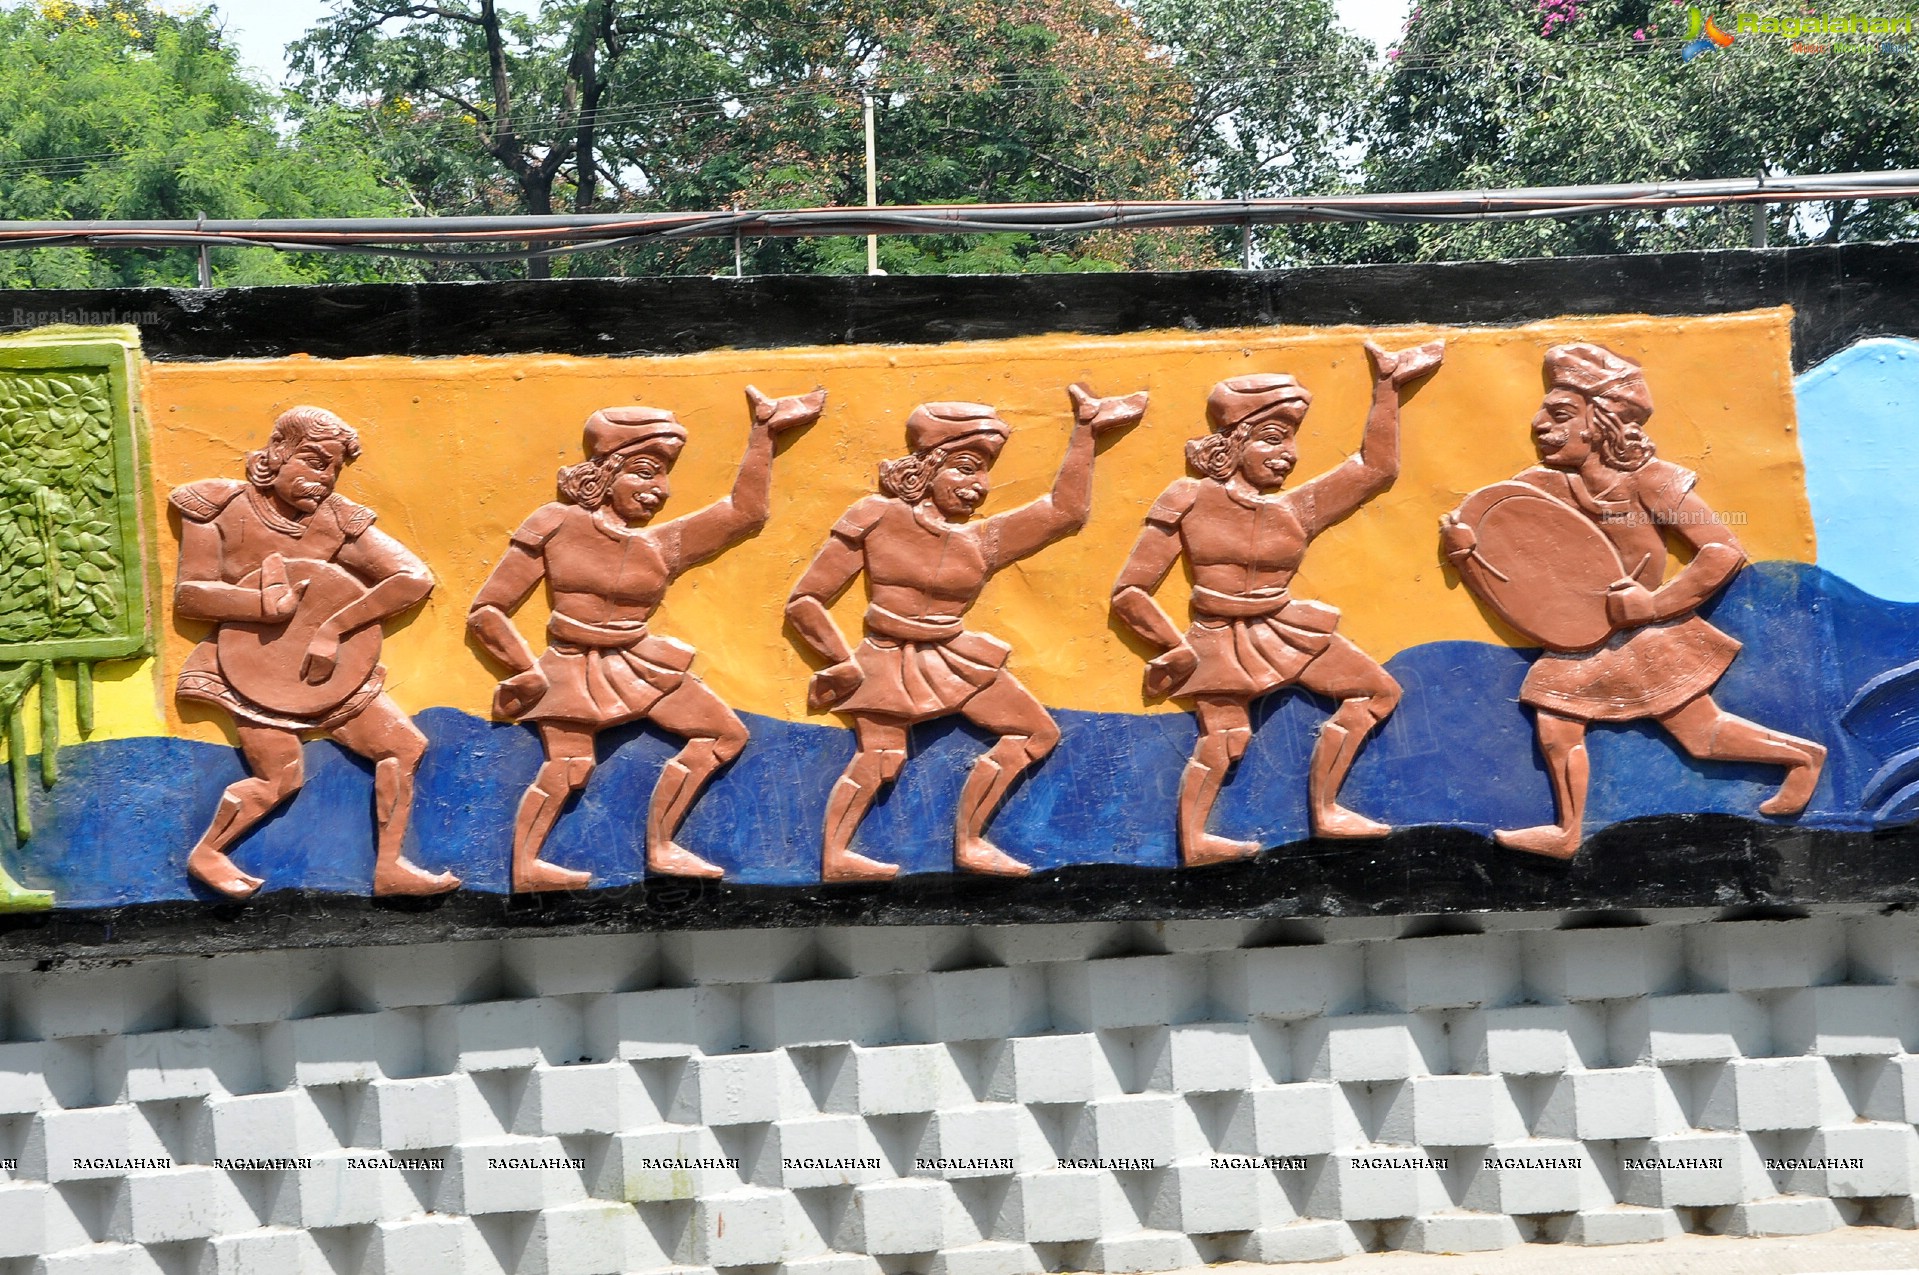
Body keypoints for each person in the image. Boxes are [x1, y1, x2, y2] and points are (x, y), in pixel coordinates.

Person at [1442, 342, 1826, 859]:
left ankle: (1802, 759)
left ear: (1601, 423)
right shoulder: (1534, 492)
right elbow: (1516, 581)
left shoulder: (1651, 483)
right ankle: (1567, 832)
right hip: (1577, 638)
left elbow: (1720, 550)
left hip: (1646, 637)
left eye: (1559, 414)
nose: (1538, 425)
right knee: (1556, 727)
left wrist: (1655, 604)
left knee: (1702, 736)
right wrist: (1467, 554)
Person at [786, 384, 1146, 882]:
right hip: (888, 656)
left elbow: (1064, 513)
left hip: (956, 655)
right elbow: (806, 600)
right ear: (927, 465)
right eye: (965, 467)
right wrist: (839, 662)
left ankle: (971, 842)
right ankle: (836, 856)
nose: (978, 485)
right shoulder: (876, 516)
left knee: (1034, 732)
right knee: (883, 758)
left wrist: (1085, 432)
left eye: (984, 472)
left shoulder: (983, 540)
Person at [468, 387, 822, 891]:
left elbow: (745, 514)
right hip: (571, 665)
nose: (661, 489)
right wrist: (524, 672)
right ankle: (525, 866)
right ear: (605, 470)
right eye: (645, 470)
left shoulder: (662, 544)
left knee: (724, 734)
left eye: (664, 474)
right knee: (570, 767)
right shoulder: (555, 523)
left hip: (639, 661)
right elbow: (488, 609)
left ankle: (661, 847)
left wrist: (764, 433)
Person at [1110, 342, 1443, 864]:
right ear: (1233, 442)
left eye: (1291, 439)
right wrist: (1172, 647)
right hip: (1217, 637)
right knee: (1227, 740)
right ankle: (1195, 841)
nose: (1287, 452)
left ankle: (1327, 810)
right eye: (1271, 438)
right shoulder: (1188, 497)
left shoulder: (1296, 509)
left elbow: (1374, 469)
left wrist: (1388, 389)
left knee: (1376, 692)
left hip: (1286, 627)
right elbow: (1129, 591)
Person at [173, 406, 458, 900]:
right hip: (250, 671)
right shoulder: (216, 507)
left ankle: (390, 869)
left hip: (327, 672)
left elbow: (412, 578)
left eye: (333, 468)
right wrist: (260, 605)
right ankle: (207, 853)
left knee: (404, 746)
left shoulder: (335, 520)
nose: (322, 479)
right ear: (277, 454)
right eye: (312, 461)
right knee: (280, 777)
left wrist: (335, 627)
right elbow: (191, 595)